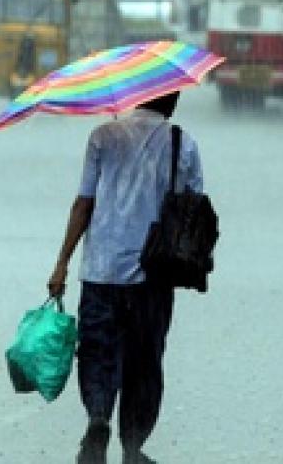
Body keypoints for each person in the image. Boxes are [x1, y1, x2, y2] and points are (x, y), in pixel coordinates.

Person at [47, 91, 203, 464]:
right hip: (154, 275)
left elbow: (84, 203)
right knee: (145, 362)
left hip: (101, 271)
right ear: (173, 100)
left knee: (98, 352)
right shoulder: (183, 143)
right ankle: (132, 446)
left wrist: (62, 263)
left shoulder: (103, 136)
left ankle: (99, 416)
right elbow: (193, 207)